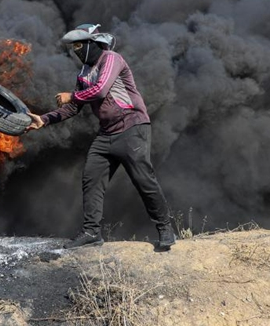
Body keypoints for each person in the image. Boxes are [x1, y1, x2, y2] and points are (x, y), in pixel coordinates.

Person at [26, 23, 176, 251]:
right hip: (106, 135)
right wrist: (44, 120)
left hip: (132, 128)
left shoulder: (111, 59)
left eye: (78, 45)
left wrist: (71, 95)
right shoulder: (83, 73)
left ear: (91, 43)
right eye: (72, 46)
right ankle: (91, 233)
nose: (75, 50)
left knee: (143, 180)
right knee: (91, 178)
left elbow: (101, 90)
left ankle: (166, 229)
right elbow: (73, 108)